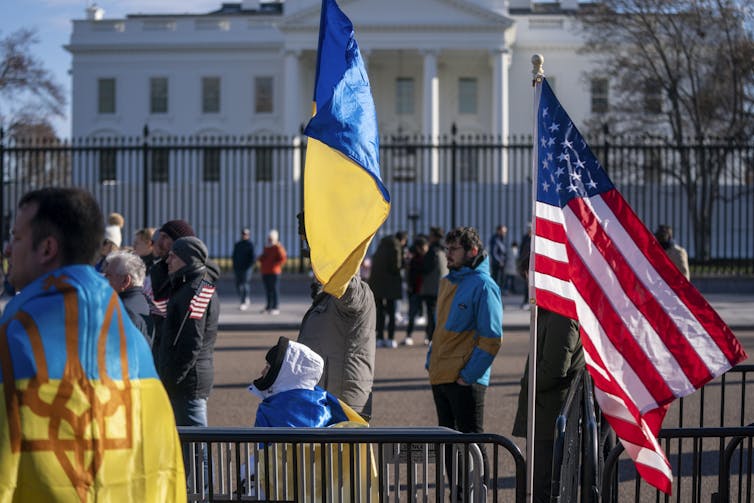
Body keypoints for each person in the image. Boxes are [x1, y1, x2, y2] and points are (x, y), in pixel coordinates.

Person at [0, 187, 184, 501]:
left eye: (16, 238)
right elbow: (165, 472)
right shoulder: (136, 347)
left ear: (47, 248)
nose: (7, 249)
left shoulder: (14, 338)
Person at [426, 226, 502, 486]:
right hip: (441, 375)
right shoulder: (448, 281)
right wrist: (430, 362)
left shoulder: (484, 285)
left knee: (472, 446)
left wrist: (468, 376)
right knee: (449, 447)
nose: (448, 254)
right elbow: (439, 329)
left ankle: (476, 496)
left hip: (465, 380)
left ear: (472, 251)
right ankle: (457, 497)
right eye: (447, 248)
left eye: (454, 249)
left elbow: (491, 338)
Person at [295, 211, 376, 420]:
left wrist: (325, 239)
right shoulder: (326, 297)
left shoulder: (356, 292)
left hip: (343, 404)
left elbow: (346, 286)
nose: (314, 264)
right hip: (326, 399)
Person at [512, 302, 585, 503]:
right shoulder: (551, 312)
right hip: (546, 411)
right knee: (539, 483)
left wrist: (527, 383)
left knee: (543, 486)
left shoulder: (561, 315)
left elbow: (553, 370)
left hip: (550, 414)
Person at [157, 236, 220, 431]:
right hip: (189, 379)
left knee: (197, 448)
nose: (168, 261)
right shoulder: (193, 286)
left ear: (188, 259)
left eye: (173, 256)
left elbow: (191, 343)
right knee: (190, 444)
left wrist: (172, 379)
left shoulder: (195, 290)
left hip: (188, 383)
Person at [248, 336, 367, 427]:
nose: (262, 372)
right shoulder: (322, 402)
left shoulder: (275, 410)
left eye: (268, 368)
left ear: (284, 374)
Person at [147, 219, 195, 359]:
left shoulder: (194, 277)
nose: (158, 242)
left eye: (165, 237)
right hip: (159, 347)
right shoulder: (159, 270)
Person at [104, 249, 154, 344]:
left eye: (108, 276)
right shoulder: (149, 304)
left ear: (126, 281)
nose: (103, 279)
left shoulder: (122, 311)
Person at [368, 231, 407, 348]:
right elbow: (396, 266)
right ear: (402, 240)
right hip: (391, 285)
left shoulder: (382, 245)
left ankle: (379, 337)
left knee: (380, 313)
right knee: (391, 312)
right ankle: (390, 338)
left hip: (377, 283)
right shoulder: (396, 246)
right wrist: (405, 262)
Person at [419, 226, 448, 345]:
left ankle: (431, 336)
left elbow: (425, 268)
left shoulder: (432, 251)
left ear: (435, 236)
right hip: (442, 285)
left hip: (431, 287)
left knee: (431, 314)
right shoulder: (445, 249)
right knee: (440, 313)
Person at [403, 234, 429, 346]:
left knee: (429, 316)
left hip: (424, 290)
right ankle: (409, 335)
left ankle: (428, 337)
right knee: (412, 315)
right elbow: (410, 275)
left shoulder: (428, 258)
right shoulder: (415, 259)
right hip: (416, 290)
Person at [257, 229, 287, 315]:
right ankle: (268, 306)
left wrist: (276, 265)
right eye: (269, 238)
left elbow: (283, 258)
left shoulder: (278, 247)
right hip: (265, 271)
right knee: (268, 290)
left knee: (274, 290)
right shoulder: (267, 247)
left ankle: (275, 307)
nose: (269, 239)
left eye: (271, 238)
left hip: (274, 272)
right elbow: (264, 257)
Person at [232, 228, 256, 311]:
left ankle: (244, 301)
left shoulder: (250, 245)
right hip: (238, 268)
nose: (244, 236)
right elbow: (234, 256)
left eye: (246, 234)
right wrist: (235, 265)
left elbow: (253, 257)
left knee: (245, 284)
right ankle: (244, 298)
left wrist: (249, 266)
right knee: (238, 284)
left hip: (246, 268)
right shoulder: (238, 244)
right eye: (243, 234)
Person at [517, 222, 532, 309]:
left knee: (530, 286)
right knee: (527, 285)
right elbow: (522, 252)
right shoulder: (525, 239)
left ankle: (530, 302)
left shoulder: (533, 239)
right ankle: (526, 301)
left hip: (530, 265)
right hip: (526, 265)